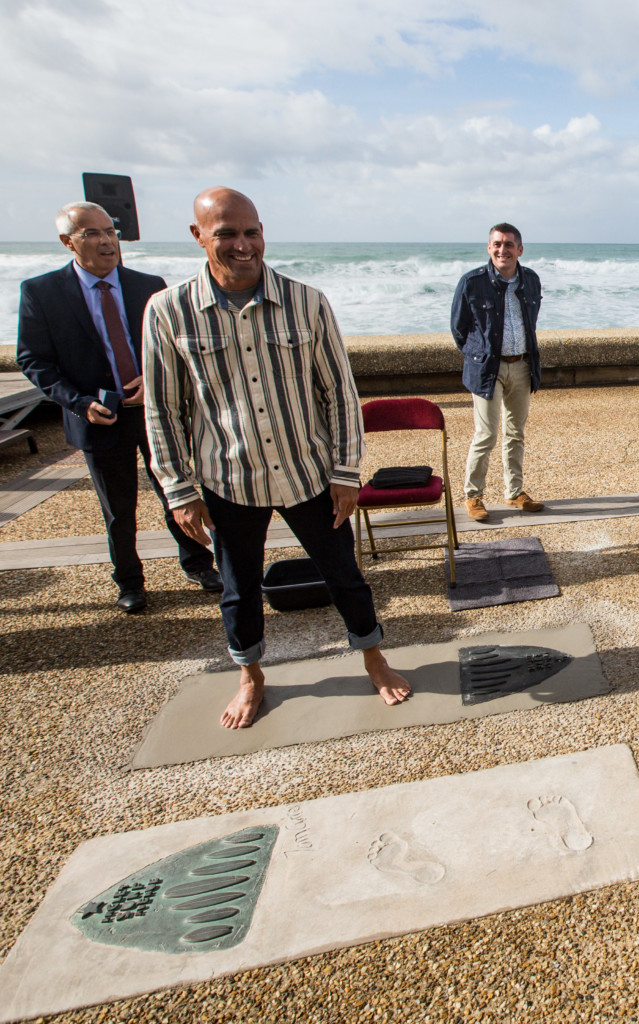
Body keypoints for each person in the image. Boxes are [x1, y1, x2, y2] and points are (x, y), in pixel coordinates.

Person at [143, 187, 412, 729]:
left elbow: (338, 392)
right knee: (238, 588)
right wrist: (180, 492)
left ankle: (374, 658)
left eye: (252, 231)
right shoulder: (167, 311)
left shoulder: (306, 301)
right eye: (226, 234)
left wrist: (345, 472)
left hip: (309, 473)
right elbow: (164, 409)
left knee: (345, 575)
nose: (244, 245)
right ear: (198, 236)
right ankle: (251, 676)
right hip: (227, 479)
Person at [16, 202, 220, 614]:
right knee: (118, 508)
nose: (106, 241)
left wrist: (153, 378)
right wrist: (80, 403)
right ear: (67, 242)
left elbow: (173, 347)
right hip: (98, 417)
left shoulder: (149, 285)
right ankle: (129, 580)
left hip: (153, 410)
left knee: (175, 491)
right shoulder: (42, 292)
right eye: (92, 233)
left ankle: (199, 564)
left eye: (110, 231)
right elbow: (33, 359)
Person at [450, 222, 545, 521]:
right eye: (497, 244)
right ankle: (473, 495)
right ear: (489, 248)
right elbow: (459, 328)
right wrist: (478, 356)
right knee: (486, 434)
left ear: (520, 249)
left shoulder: (531, 280)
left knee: (516, 433)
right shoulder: (472, 282)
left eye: (508, 244)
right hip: (488, 368)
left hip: (523, 365)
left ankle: (514, 491)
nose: (502, 250)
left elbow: (531, 320)